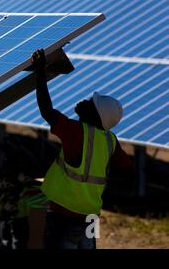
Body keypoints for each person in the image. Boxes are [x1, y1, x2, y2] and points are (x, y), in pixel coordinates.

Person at [30, 49, 132, 249]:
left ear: (96, 115)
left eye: (90, 103)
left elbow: (46, 110)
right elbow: (127, 171)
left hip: (61, 215)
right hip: (91, 216)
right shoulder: (110, 140)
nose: (84, 101)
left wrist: (39, 71)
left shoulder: (76, 132)